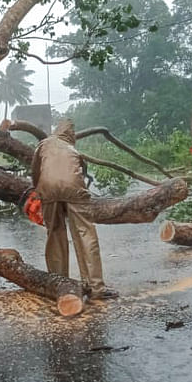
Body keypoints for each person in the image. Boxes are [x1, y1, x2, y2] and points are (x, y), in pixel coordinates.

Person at [31, 118, 118, 300]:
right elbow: (83, 172)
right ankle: (95, 287)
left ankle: (59, 284)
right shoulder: (72, 148)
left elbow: (35, 171)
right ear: (70, 134)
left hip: (48, 190)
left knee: (54, 233)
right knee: (85, 234)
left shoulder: (44, 144)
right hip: (74, 190)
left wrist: (38, 191)